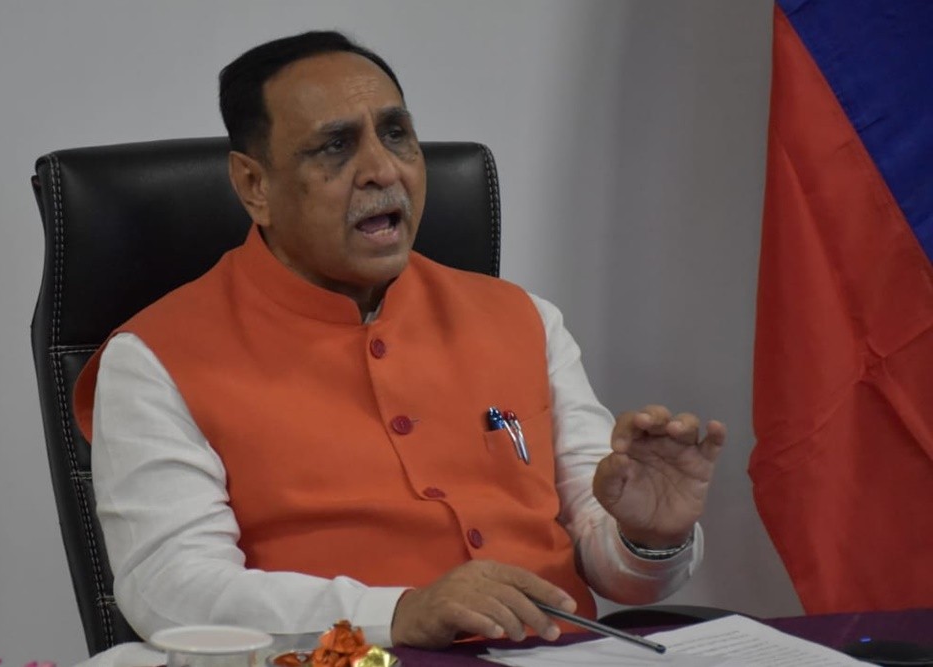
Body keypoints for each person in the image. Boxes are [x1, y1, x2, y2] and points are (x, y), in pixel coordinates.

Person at [73, 30, 726, 650]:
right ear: (254, 186)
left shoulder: (525, 318)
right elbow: (172, 589)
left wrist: (649, 538)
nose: (383, 170)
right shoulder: (156, 358)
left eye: (396, 135)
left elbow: (612, 561)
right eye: (335, 146)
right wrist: (397, 613)